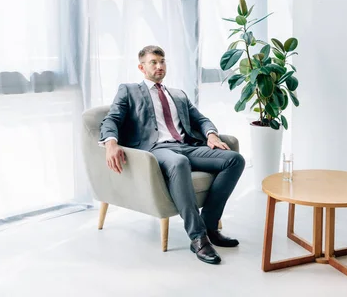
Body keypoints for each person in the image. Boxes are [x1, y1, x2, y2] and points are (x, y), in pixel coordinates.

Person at [99, 45, 245, 265]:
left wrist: (212, 135)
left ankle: (209, 226)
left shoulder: (178, 94)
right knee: (179, 162)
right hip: (156, 150)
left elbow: (201, 119)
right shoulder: (129, 90)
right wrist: (111, 143)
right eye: (153, 62)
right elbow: (111, 119)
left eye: (162, 61)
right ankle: (198, 238)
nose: (159, 66)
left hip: (186, 145)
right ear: (141, 67)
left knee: (235, 159)